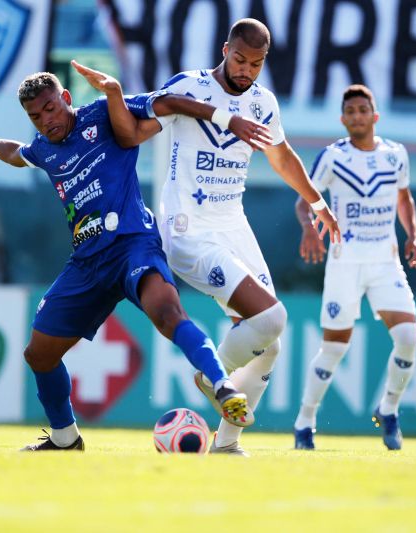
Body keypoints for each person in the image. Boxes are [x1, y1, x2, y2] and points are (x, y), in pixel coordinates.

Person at [0, 66, 270, 451]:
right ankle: (66, 439)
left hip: (133, 243)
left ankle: (221, 385)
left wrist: (225, 117)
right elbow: (15, 154)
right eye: (36, 116)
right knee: (39, 354)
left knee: (168, 314)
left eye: (50, 108)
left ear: (66, 99)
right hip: (86, 263)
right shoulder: (44, 149)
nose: (46, 120)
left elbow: (165, 103)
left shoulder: (100, 113)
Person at [90, 18, 341, 456]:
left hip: (233, 224)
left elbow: (281, 158)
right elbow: (141, 124)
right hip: (188, 229)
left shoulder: (263, 103)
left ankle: (226, 444)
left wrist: (318, 204)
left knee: (269, 344)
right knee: (272, 319)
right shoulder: (192, 87)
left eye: (256, 64)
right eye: (240, 60)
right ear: (225, 49)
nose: (246, 71)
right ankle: (214, 374)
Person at [292, 84, 416, 451]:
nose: (356, 116)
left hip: (385, 261)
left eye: (363, 110)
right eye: (350, 111)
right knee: (334, 349)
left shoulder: (395, 155)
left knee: (408, 338)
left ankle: (389, 409)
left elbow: (404, 198)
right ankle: (305, 421)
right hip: (344, 262)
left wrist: (413, 235)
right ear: (342, 118)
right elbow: (305, 201)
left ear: (375, 115)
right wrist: (308, 228)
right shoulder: (332, 157)